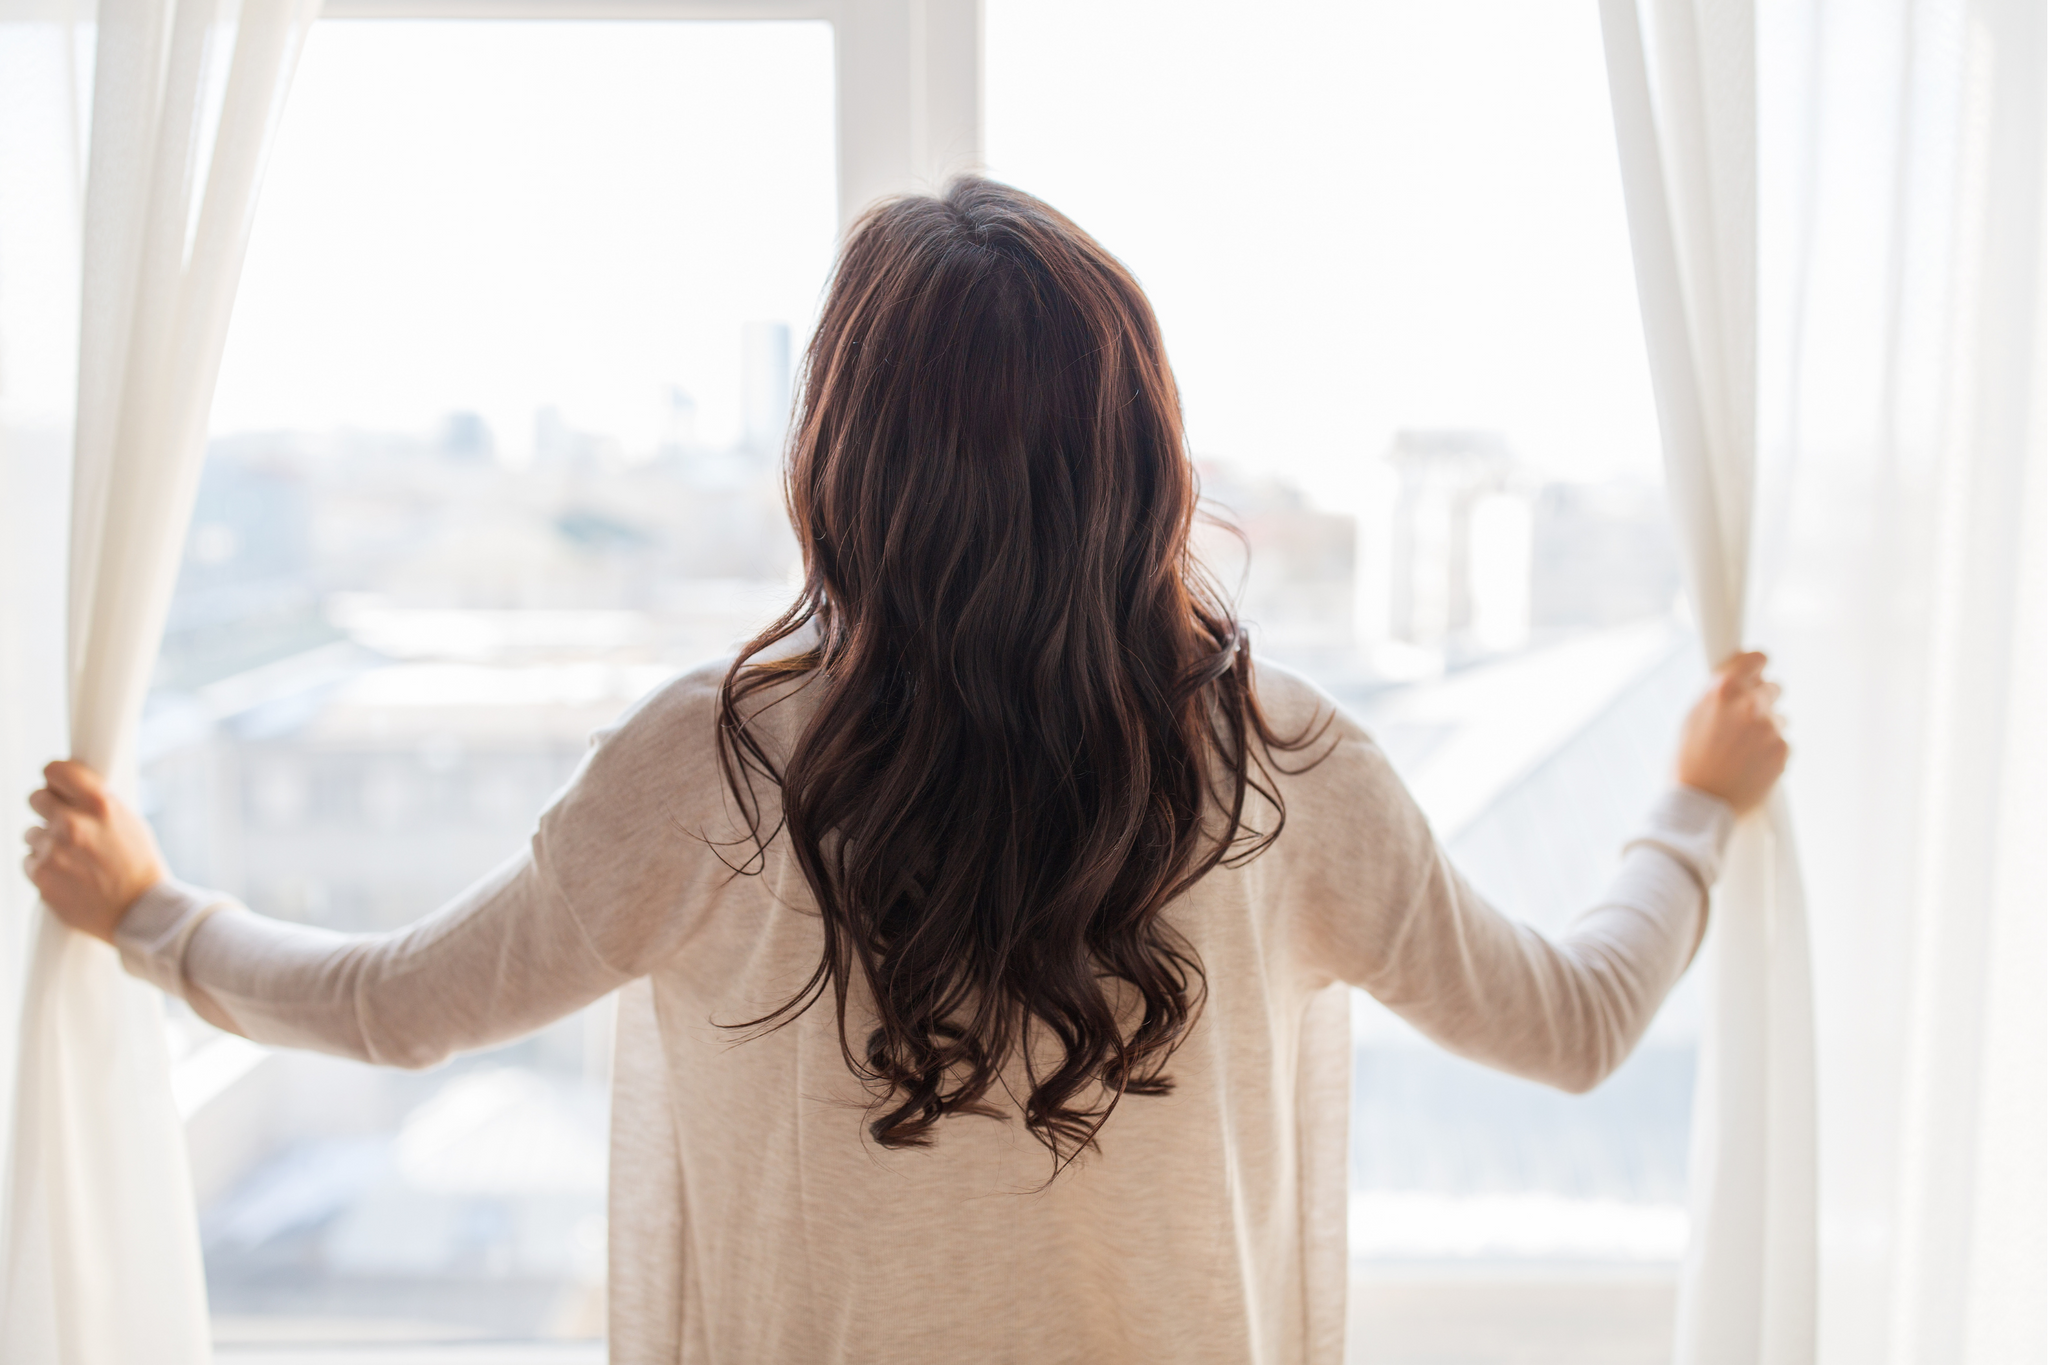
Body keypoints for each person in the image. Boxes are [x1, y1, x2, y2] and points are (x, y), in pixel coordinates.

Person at [23, 179, 1786, 1365]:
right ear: (1141, 455)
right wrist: (1694, 801)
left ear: (840, 460)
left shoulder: (710, 768)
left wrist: (150, 913)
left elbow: (398, 1006)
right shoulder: (1284, 766)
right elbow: (1574, 1026)